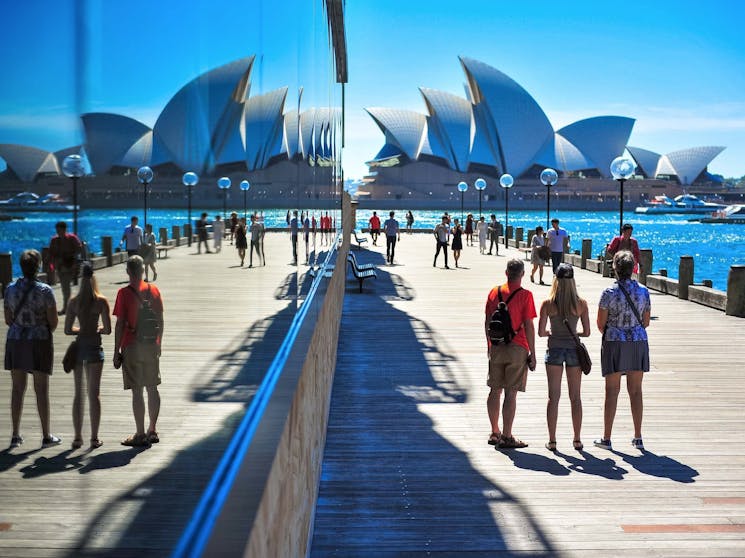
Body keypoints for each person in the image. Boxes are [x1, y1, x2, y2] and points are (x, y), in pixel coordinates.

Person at [4, 249, 62, 448]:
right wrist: (40, 328)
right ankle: (46, 436)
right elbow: (53, 322)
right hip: (39, 341)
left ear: (21, 266)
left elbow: (7, 319)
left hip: (16, 340)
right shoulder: (45, 291)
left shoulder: (10, 289)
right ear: (38, 266)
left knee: (17, 389)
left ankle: (15, 435)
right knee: (41, 389)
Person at [594, 250, 651, 451]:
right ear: (633, 268)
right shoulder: (644, 291)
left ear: (615, 269)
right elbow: (645, 322)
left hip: (614, 341)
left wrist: (614, 330)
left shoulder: (608, 293)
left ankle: (607, 438)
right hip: (637, 341)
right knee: (636, 391)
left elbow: (600, 324)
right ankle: (638, 437)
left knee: (612, 391)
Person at [485, 258, 537, 449]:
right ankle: (507, 436)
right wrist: (532, 352)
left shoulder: (494, 292)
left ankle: (494, 432)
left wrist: (489, 345)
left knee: (494, 389)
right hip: (518, 347)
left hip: (497, 346)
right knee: (510, 393)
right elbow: (529, 326)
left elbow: (487, 320)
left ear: (506, 273)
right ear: (522, 274)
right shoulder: (526, 295)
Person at [537, 263, 590, 452]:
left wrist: (552, 331)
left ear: (556, 281)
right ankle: (577, 439)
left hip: (555, 350)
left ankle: (552, 440)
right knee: (575, 397)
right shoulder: (581, 303)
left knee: (554, 397)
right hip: (574, 351)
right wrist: (575, 334)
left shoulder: (548, 304)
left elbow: (541, 332)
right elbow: (587, 332)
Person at [112, 256, 164, 448]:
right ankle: (153, 430)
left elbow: (120, 324)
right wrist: (159, 343)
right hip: (151, 345)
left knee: (137, 391)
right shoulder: (154, 290)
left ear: (127, 271)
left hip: (132, 346)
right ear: (143, 270)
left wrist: (116, 350)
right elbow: (160, 320)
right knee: (152, 388)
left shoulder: (123, 293)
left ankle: (140, 433)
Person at [64, 263, 111, 449]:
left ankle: (77, 438)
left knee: (78, 394)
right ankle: (94, 438)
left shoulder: (74, 302)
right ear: (94, 279)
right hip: (94, 349)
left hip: (80, 348)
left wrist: (80, 329)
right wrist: (96, 328)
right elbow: (107, 330)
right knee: (94, 395)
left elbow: (68, 330)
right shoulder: (101, 301)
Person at [49, 221, 82, 315]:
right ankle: (68, 307)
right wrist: (51, 265)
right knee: (65, 288)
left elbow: (79, 249)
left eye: (60, 230)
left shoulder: (72, 238)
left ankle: (67, 308)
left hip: (71, 266)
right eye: (57, 230)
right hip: (60, 267)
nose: (58, 232)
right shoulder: (54, 240)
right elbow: (51, 253)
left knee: (67, 288)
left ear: (64, 229)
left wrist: (72, 257)